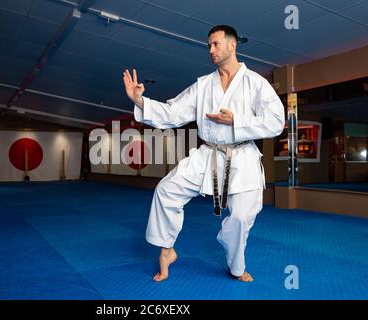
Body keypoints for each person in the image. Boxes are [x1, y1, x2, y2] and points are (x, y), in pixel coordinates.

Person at [122, 25, 285, 282]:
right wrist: (140, 101)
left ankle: (236, 265)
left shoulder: (255, 83)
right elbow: (173, 112)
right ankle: (167, 249)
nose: (211, 50)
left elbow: (276, 122)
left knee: (241, 219)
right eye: (208, 45)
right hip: (208, 155)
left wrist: (237, 121)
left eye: (216, 44)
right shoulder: (203, 85)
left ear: (233, 46)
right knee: (166, 190)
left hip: (242, 158)